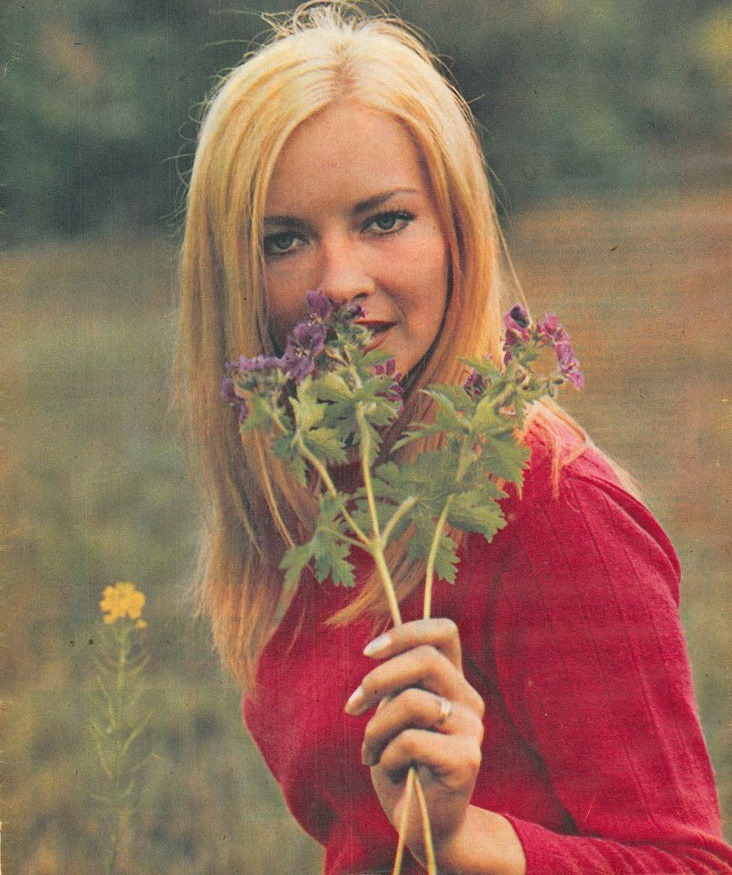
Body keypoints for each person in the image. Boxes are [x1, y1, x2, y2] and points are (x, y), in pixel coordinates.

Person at [176, 3, 731, 873]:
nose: (338, 282)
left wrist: (462, 834)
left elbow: (689, 863)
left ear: (457, 233)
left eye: (383, 220)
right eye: (283, 240)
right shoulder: (323, 489)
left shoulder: (555, 511)